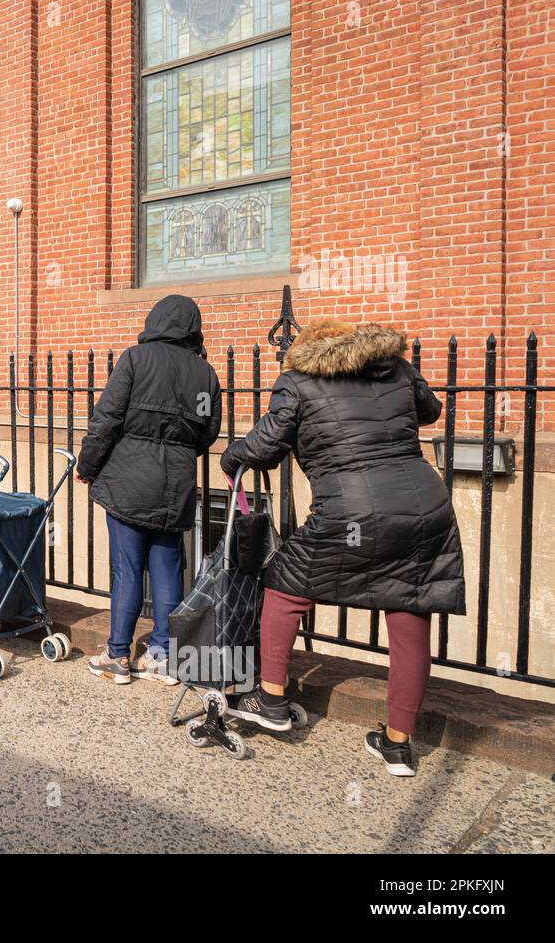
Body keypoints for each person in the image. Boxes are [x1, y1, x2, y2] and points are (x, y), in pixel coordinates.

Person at [219, 319, 466, 777]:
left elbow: (267, 446)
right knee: (410, 609)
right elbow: (430, 411)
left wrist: (232, 456)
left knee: (286, 583)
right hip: (426, 505)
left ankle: (269, 697)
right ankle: (397, 745)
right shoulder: (398, 370)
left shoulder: (298, 381)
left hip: (352, 508)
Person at [76, 295, 222, 686]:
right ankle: (162, 656)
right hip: (177, 482)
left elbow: (106, 418)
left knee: (126, 569)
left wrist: (87, 465)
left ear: (155, 320)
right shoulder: (205, 374)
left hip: (128, 478)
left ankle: (118, 655)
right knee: (168, 567)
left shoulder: (135, 360)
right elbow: (207, 432)